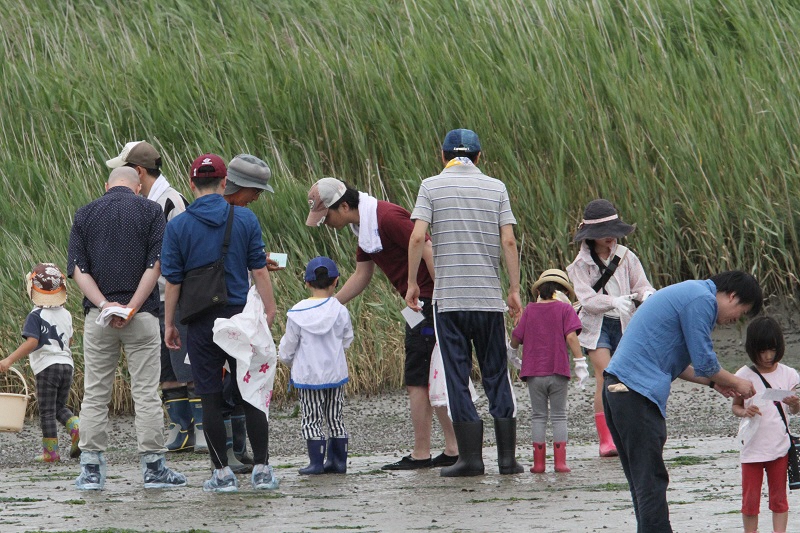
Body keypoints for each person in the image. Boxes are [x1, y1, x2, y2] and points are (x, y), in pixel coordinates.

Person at [305, 177, 458, 470]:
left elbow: (426, 246)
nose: (327, 224)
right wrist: (328, 305)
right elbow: (362, 274)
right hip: (419, 304)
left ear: (345, 205)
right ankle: (452, 449)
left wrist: (441, 296)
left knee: (418, 381)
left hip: (428, 302)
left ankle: (422, 454)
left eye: (327, 217)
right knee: (427, 379)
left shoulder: (386, 217)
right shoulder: (364, 228)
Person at [603, 270, 762, 532]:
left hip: (617, 389)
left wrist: (715, 383)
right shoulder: (702, 300)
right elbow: (705, 362)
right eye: (741, 312)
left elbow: (678, 365)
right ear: (733, 296)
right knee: (651, 479)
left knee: (642, 481)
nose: (736, 319)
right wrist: (737, 382)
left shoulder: (690, 293)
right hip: (634, 392)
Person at [406, 128, 524, 477]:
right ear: (479, 156)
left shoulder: (431, 186)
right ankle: (507, 460)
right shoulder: (496, 187)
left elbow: (416, 236)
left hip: (450, 301)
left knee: (457, 376)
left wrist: (413, 282)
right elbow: (509, 241)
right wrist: (514, 288)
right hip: (488, 299)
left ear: (442, 156)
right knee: (496, 375)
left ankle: (471, 459)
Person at [161, 153, 279, 493]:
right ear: (224, 182)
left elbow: (173, 281)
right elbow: (258, 269)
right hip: (240, 318)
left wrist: (170, 324)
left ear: (191, 182)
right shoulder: (244, 219)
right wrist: (269, 311)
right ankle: (262, 470)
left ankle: (222, 474)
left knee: (210, 397)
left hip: (199, 322)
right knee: (250, 393)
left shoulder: (178, 226)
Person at [67, 166, 186, 490]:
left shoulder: (85, 213)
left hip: (98, 318)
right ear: (137, 187)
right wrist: (132, 305)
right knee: (146, 393)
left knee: (94, 393)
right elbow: (156, 264)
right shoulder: (150, 210)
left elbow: (78, 269)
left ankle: (91, 469)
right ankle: (153, 469)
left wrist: (106, 306)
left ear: (107, 185)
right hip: (144, 316)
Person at [105, 141, 198, 454]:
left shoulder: (171, 201)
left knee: (187, 364)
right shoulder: (147, 202)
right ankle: (180, 428)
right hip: (153, 300)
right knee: (165, 367)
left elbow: (186, 253)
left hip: (176, 297)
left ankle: (200, 427)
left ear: (139, 172)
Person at [566, 198, 656, 457]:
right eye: (605, 233)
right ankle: (606, 440)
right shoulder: (580, 266)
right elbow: (587, 301)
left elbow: (642, 284)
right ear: (591, 235)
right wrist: (612, 301)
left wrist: (647, 296)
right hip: (597, 325)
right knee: (605, 377)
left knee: (626, 379)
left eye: (614, 232)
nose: (611, 238)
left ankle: (626, 432)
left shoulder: (627, 257)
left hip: (626, 323)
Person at [220, 153, 279, 472]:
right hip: (234, 312)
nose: (257, 197)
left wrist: (259, 256)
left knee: (233, 383)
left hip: (217, 310)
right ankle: (237, 455)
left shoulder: (233, 214)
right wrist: (269, 309)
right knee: (233, 383)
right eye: (256, 190)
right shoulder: (237, 216)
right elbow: (256, 269)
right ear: (239, 186)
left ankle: (236, 452)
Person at [278, 256, 354, 475]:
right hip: (335, 373)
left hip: (308, 376)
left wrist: (286, 359)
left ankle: (316, 463)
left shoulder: (297, 313)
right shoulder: (340, 310)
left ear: (307, 282)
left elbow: (288, 346)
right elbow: (347, 339)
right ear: (336, 281)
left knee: (311, 418)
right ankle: (339, 462)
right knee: (335, 417)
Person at [508, 269, 586, 474]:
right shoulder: (565, 310)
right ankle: (560, 463)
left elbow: (516, 337)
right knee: (560, 416)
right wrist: (580, 362)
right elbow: (571, 337)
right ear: (562, 291)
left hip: (534, 372)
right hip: (558, 370)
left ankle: (539, 464)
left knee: (538, 416)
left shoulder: (530, 310)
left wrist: (513, 354)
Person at [0, 263, 80, 462]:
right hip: (66, 365)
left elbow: (32, 342)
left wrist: (9, 359)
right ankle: (77, 428)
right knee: (59, 407)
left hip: (47, 367)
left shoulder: (35, 316)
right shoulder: (66, 314)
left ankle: (50, 453)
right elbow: (69, 341)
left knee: (46, 410)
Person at [733, 316, 800, 533]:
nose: (767, 356)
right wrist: (746, 411)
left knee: (779, 498)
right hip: (752, 448)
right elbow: (736, 407)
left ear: (779, 347)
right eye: (762, 351)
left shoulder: (789, 374)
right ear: (752, 350)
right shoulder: (743, 376)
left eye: (771, 350)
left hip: (779, 447)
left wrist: (796, 403)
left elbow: (794, 410)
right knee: (750, 500)